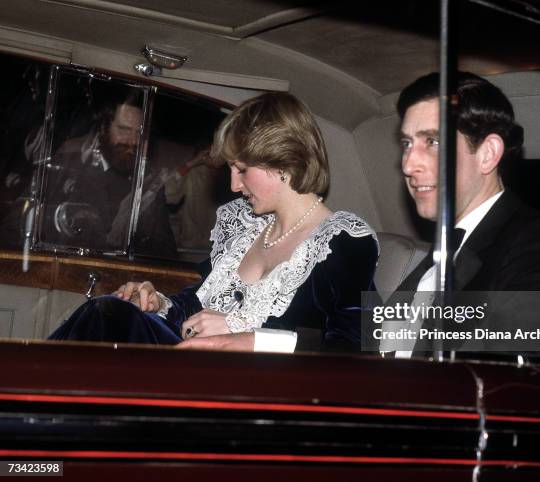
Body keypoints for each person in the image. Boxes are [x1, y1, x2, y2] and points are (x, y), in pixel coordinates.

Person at [49, 92, 378, 353]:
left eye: (242, 169)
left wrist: (247, 339)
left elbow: (358, 347)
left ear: (285, 163)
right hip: (198, 367)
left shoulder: (343, 242)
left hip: (259, 390)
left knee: (107, 317)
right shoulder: (243, 227)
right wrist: (158, 303)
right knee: (109, 311)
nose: (234, 185)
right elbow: (197, 310)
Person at [382, 72, 540, 356]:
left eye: (433, 142)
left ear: (487, 154)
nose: (409, 164)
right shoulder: (446, 248)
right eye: (407, 144)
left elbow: (522, 383)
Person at [40, 92, 177, 257]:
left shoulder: (148, 183)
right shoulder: (67, 164)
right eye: (123, 130)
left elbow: (165, 251)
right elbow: (22, 227)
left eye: (139, 133)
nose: (133, 141)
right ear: (103, 128)